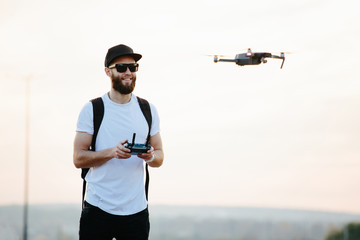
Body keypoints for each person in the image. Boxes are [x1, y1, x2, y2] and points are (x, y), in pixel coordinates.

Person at [73, 44, 164, 240]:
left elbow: (160, 156)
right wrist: (112, 152)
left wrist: (150, 156)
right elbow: (78, 158)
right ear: (108, 71)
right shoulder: (92, 109)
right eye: (121, 68)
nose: (128, 72)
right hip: (98, 209)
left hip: (136, 212)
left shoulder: (148, 109)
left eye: (133, 67)